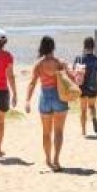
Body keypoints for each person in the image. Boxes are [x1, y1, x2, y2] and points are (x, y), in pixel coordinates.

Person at [24, 36, 75, 171]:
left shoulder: (38, 64)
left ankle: (47, 159)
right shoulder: (60, 62)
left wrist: (27, 100)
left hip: (45, 97)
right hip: (59, 97)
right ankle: (56, 160)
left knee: (46, 132)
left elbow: (32, 83)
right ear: (53, 47)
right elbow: (72, 78)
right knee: (59, 131)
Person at [73, 37, 97, 136]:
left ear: (84, 46)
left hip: (81, 87)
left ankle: (83, 131)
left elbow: (74, 74)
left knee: (83, 110)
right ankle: (94, 117)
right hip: (92, 87)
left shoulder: (79, 59)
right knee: (92, 106)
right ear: (93, 47)